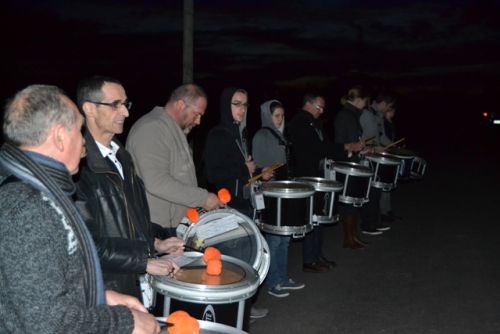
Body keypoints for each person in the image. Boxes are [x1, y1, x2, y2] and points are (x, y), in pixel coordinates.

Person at [0, 84, 160, 333]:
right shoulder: (27, 209)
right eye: (79, 131)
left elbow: (43, 288)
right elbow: (47, 323)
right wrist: (125, 322)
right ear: (60, 136)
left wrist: (100, 296)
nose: (83, 144)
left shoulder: (41, 192)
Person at [75, 76, 184, 304]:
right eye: (116, 104)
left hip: (134, 280)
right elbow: (86, 244)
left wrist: (156, 242)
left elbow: (130, 218)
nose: (125, 112)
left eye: (126, 104)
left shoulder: (122, 157)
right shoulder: (79, 168)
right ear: (89, 109)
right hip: (108, 289)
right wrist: (143, 262)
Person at [203, 87, 270, 320]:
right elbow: (213, 174)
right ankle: (234, 310)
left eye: (245, 104)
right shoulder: (218, 134)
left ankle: (245, 307)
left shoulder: (240, 133)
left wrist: (259, 172)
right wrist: (245, 169)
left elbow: (244, 170)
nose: (242, 109)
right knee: (237, 261)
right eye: (237, 103)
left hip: (245, 201)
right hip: (230, 206)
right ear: (225, 105)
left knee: (249, 257)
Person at [126, 84, 223, 237]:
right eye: (196, 114)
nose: (198, 121)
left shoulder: (174, 130)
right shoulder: (153, 128)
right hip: (157, 228)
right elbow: (157, 182)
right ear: (180, 105)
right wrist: (202, 198)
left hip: (174, 225)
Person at [252, 100, 305, 297]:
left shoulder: (281, 135)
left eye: (282, 115)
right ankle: (273, 282)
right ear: (267, 116)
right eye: (276, 115)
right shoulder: (262, 135)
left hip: (284, 191)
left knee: (285, 238)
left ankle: (283, 277)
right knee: (274, 240)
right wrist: (263, 171)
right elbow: (258, 166)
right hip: (271, 194)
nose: (280, 119)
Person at [288, 93, 336, 273]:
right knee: (312, 216)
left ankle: (317, 254)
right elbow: (312, 149)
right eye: (319, 107)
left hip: (317, 175)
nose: (321, 111)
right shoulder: (300, 122)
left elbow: (324, 145)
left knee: (319, 216)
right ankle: (309, 259)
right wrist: (342, 148)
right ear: (308, 104)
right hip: (306, 177)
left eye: (323, 108)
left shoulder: (314, 123)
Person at [334, 85, 381, 248]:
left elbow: (353, 140)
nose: (366, 104)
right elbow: (341, 142)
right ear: (359, 100)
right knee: (349, 203)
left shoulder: (351, 114)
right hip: (347, 164)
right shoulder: (346, 115)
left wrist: (362, 148)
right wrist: (352, 149)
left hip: (351, 161)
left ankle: (353, 236)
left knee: (353, 203)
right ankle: (349, 239)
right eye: (365, 100)